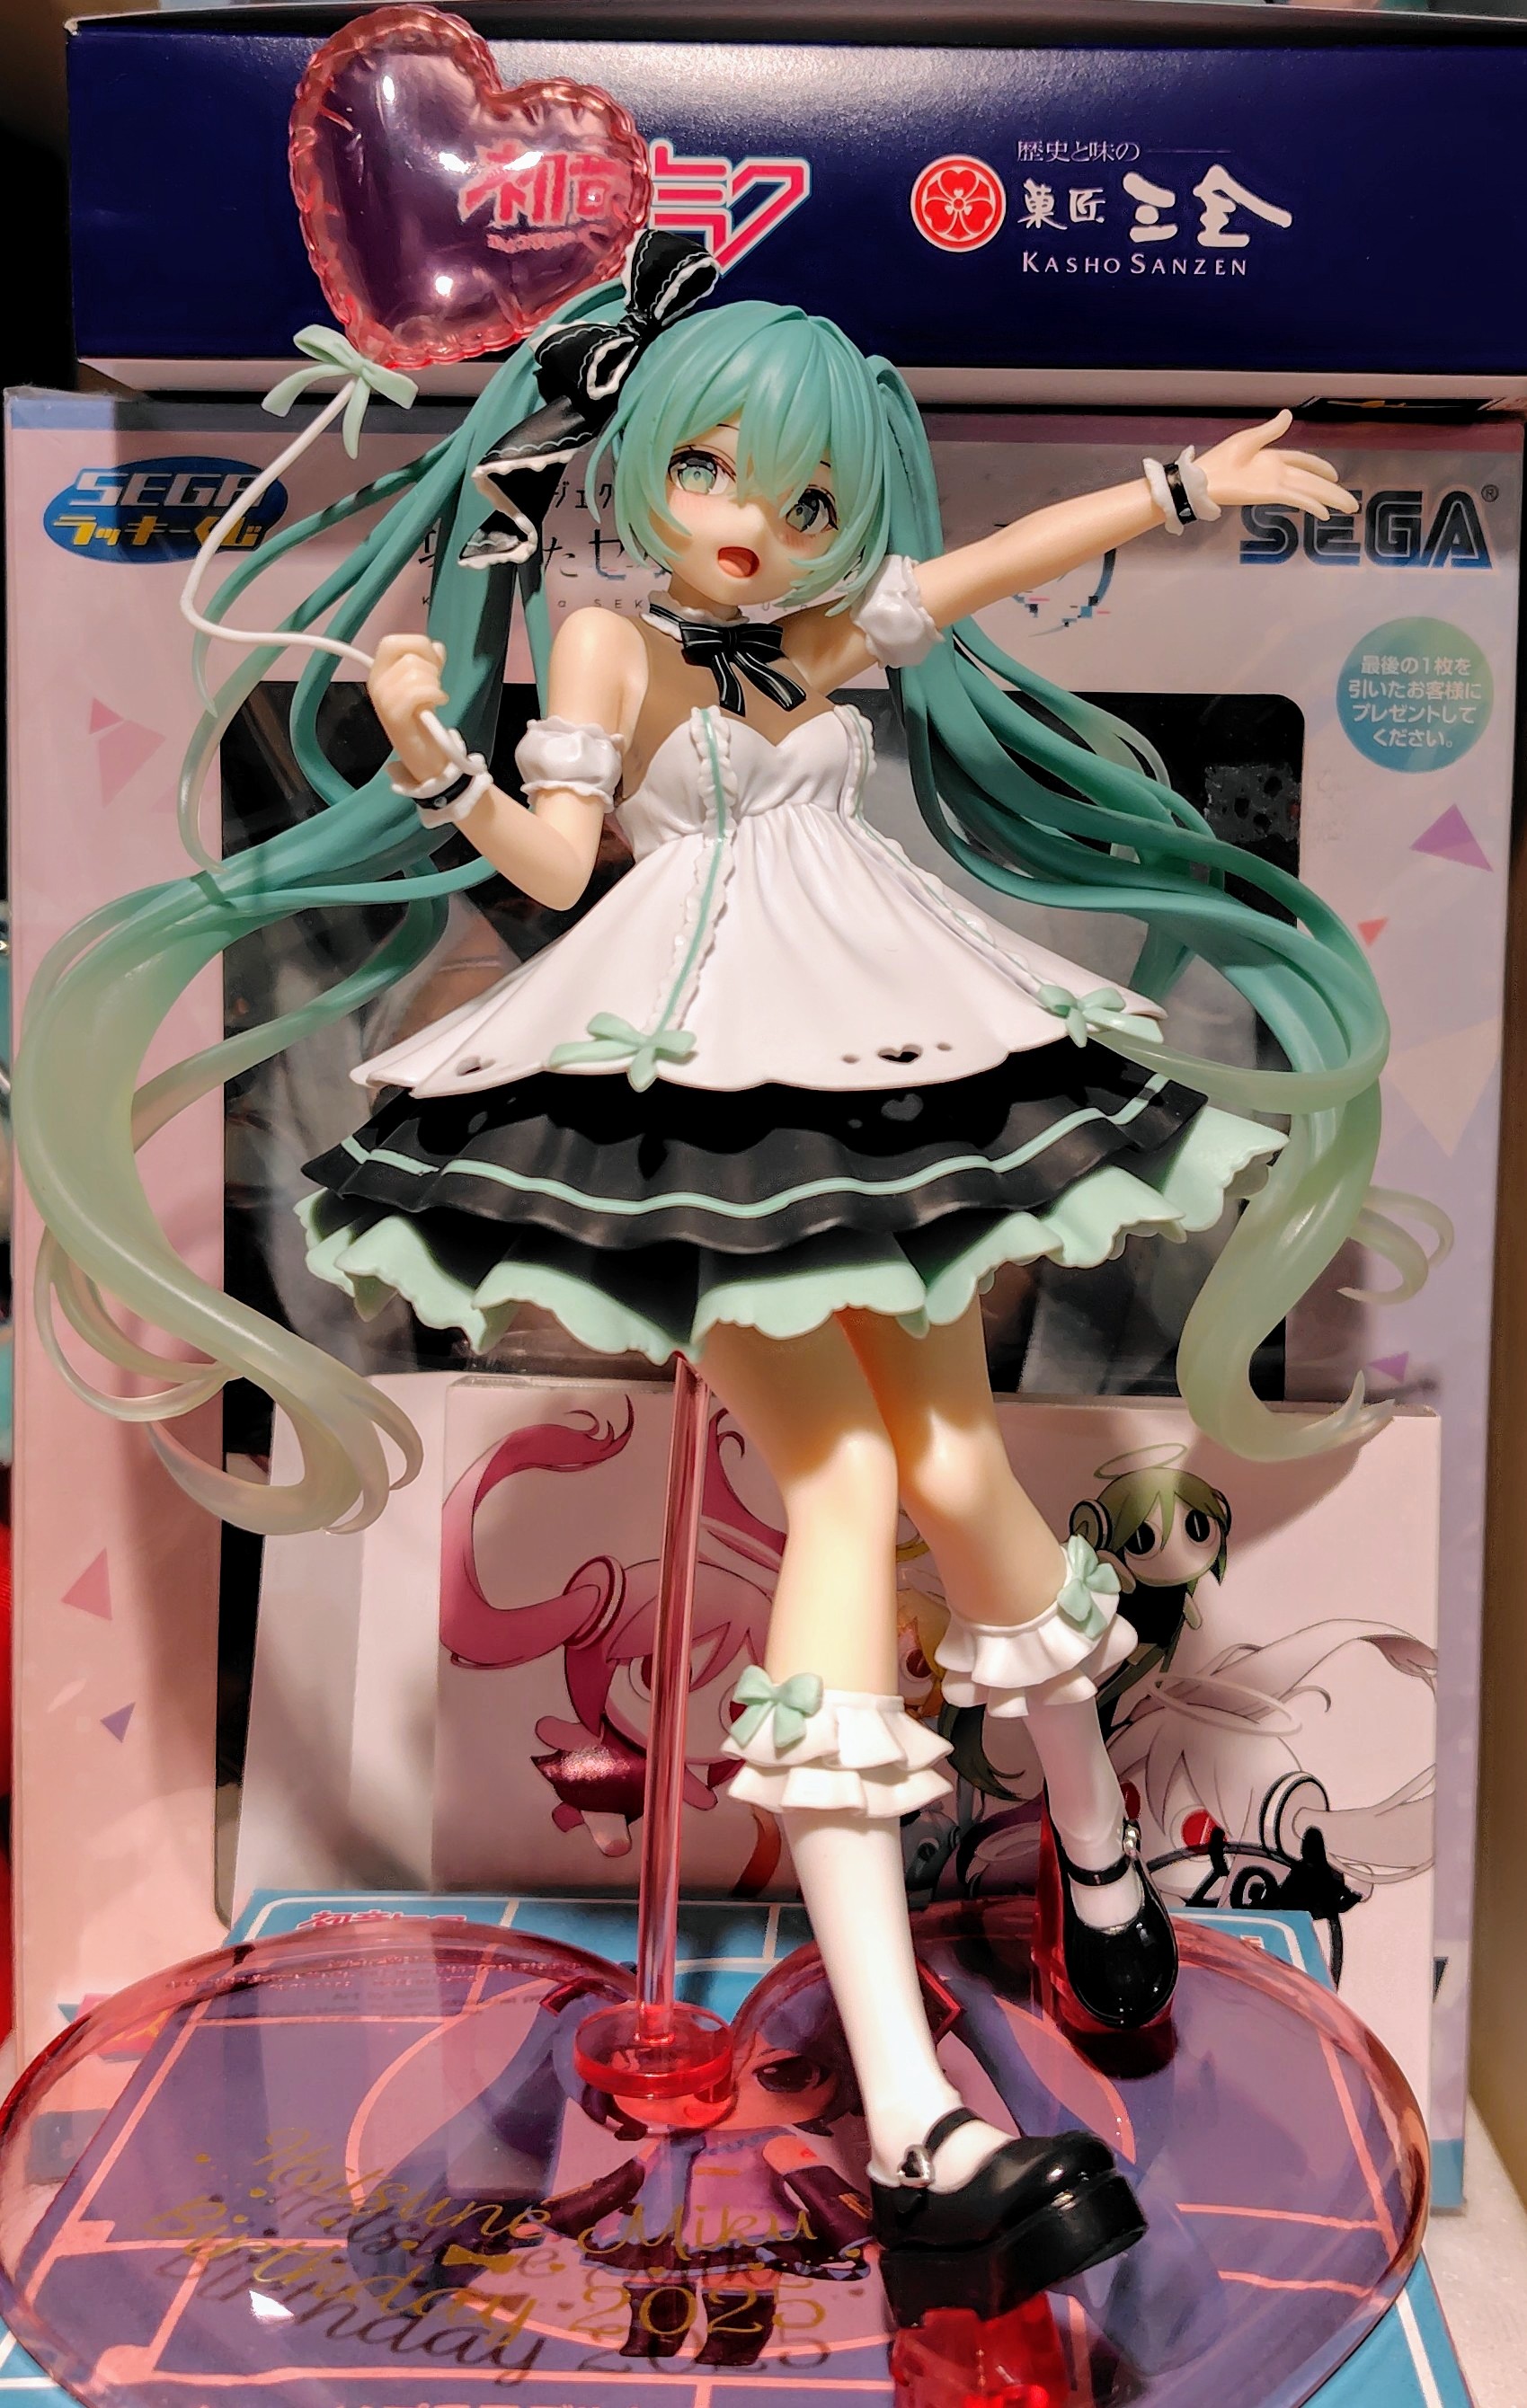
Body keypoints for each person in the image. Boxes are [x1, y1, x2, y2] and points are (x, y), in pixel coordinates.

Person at [15, 233, 1416, 2331]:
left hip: (887, 1055)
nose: (750, 523)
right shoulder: (600, 643)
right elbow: (552, 867)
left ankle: (1096, 1840)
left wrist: (1182, 488)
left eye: (805, 495)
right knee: (842, 1491)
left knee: (958, 1463)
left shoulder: (830, 628)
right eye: (708, 474)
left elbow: (986, 567)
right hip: (686, 1096)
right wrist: (424, 744)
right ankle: (917, 2123)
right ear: (643, 465)